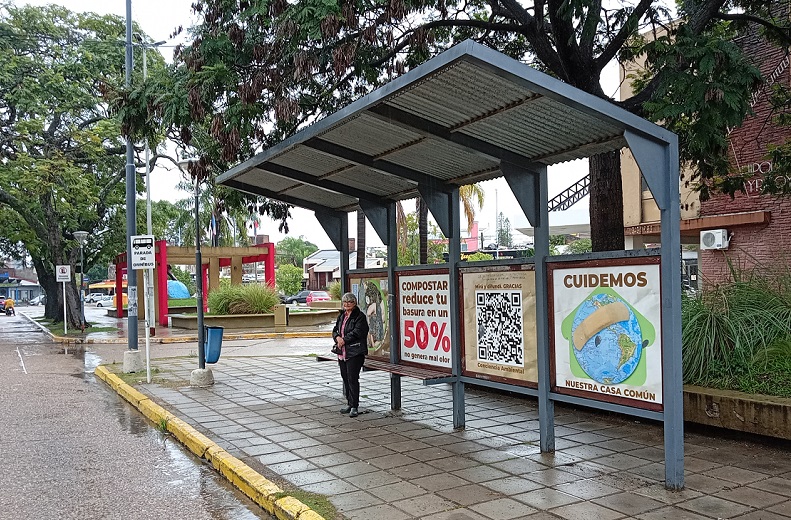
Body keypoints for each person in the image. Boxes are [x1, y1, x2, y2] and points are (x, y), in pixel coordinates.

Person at [332, 292, 369, 418]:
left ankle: (355, 406)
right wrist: (337, 338)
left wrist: (344, 340)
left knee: (353, 378)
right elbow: (335, 330)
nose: (347, 304)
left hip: (355, 352)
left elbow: (358, 332)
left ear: (355, 303)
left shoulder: (360, 316)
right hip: (342, 352)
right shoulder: (341, 316)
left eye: (350, 302)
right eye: (345, 302)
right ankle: (349, 403)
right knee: (345, 378)